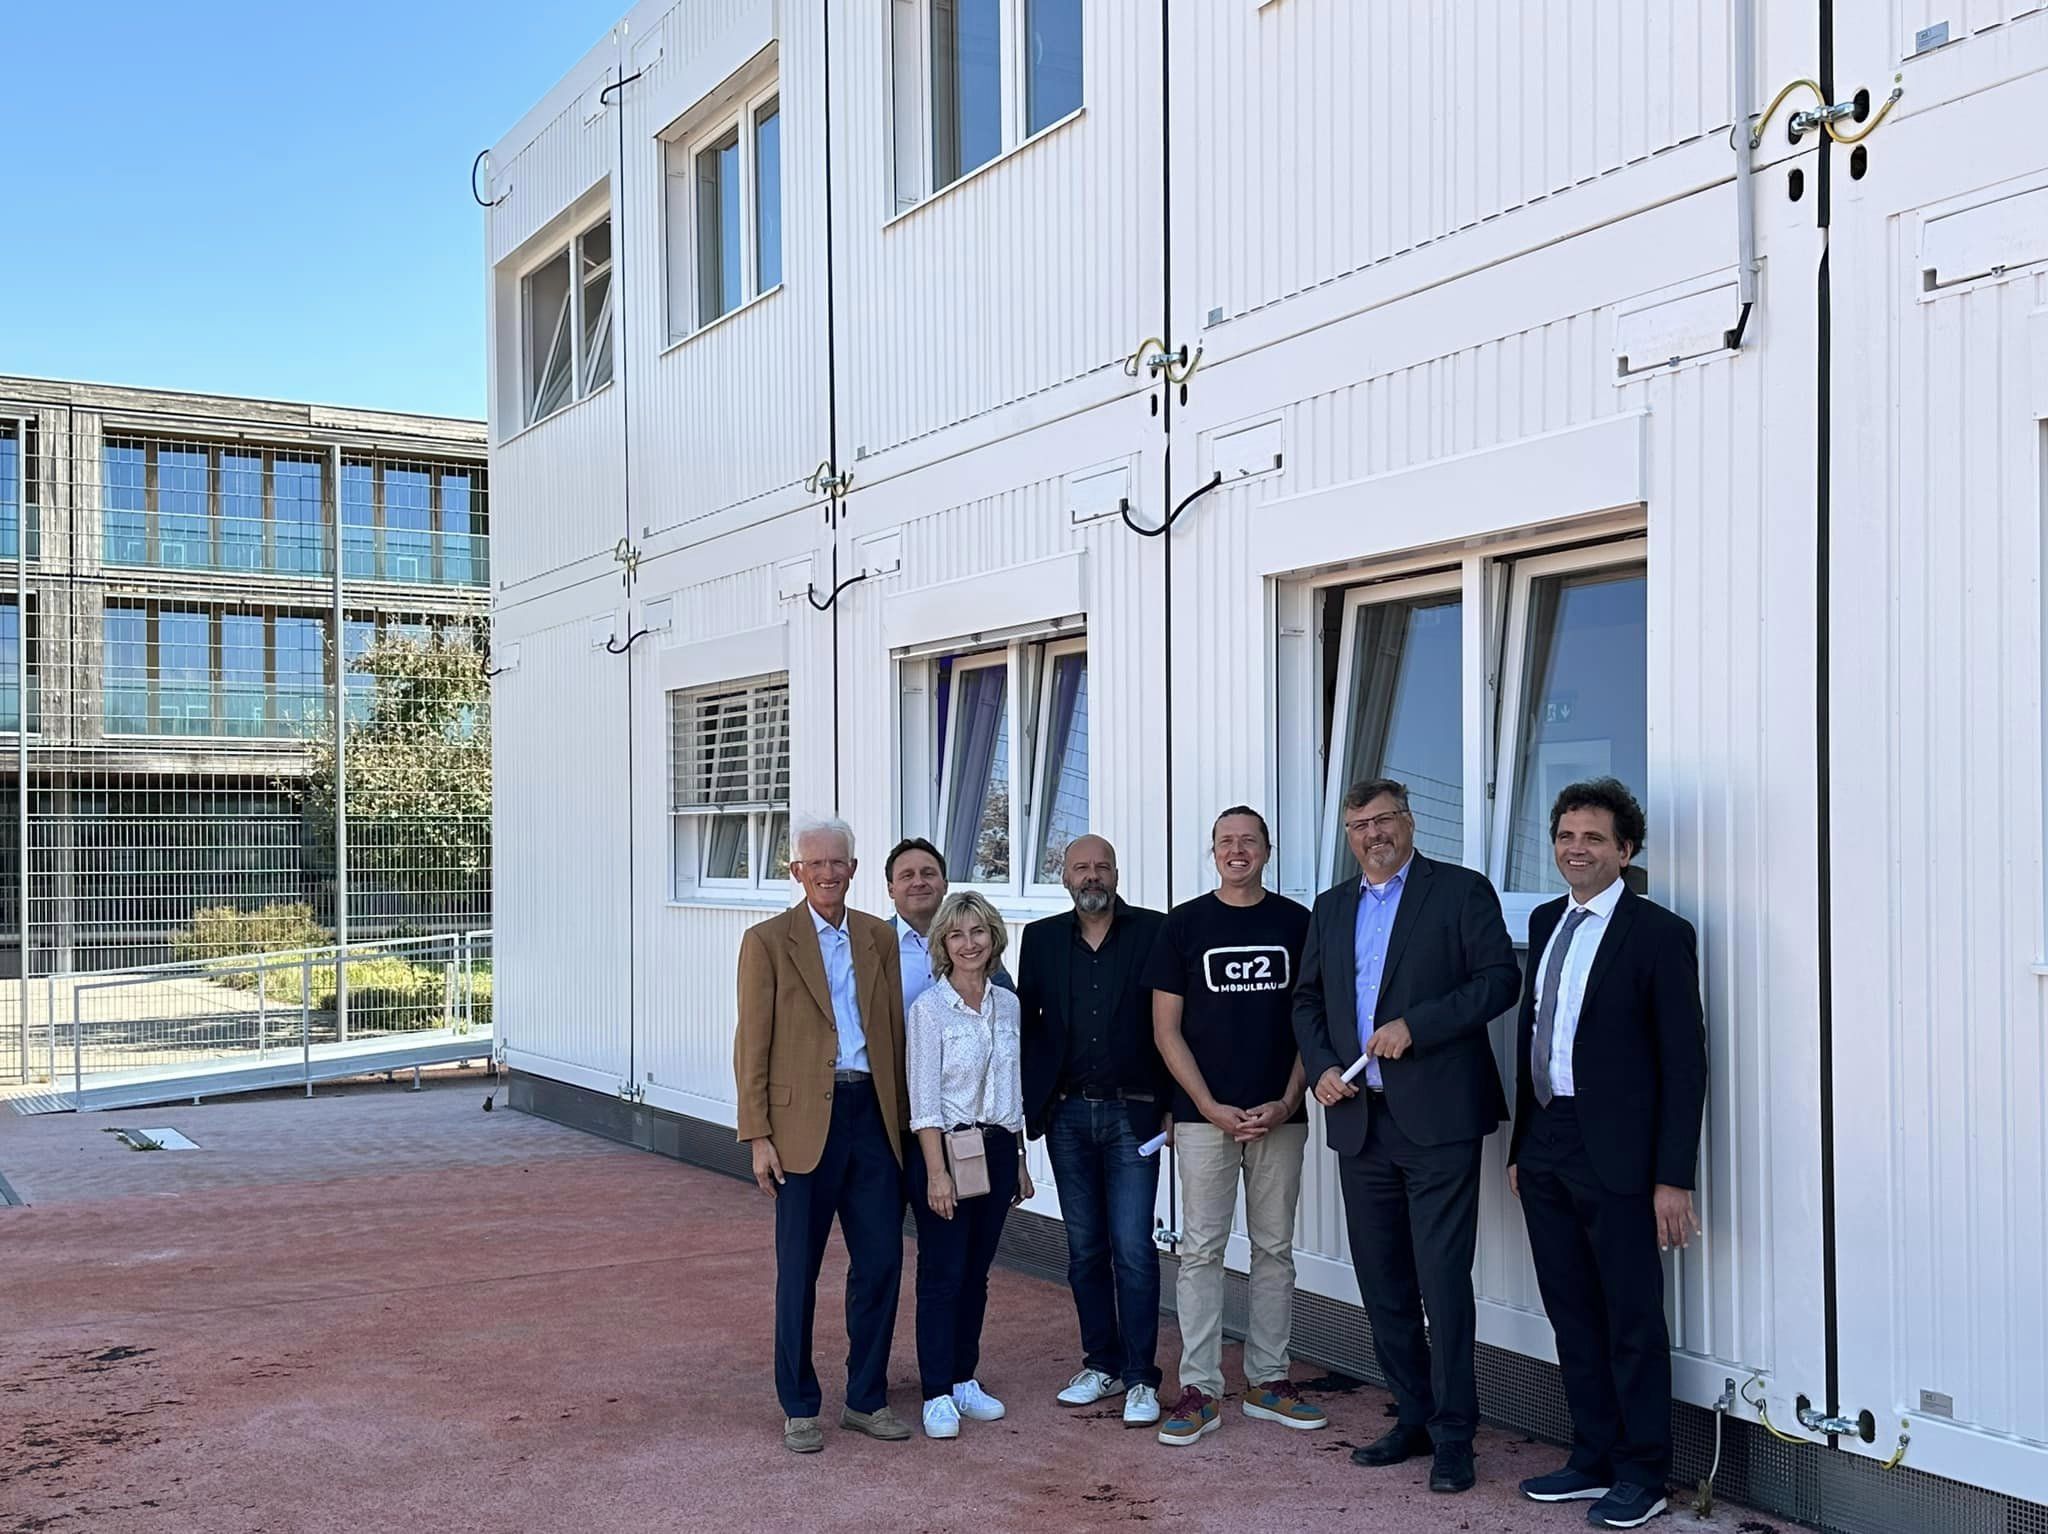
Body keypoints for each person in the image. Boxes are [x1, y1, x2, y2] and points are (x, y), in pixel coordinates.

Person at [1292, 778, 1520, 1494]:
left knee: (1442, 1280)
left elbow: (1498, 982)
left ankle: (1457, 1435)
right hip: (1360, 1120)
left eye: (1384, 819)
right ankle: (1414, 1415)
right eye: (1358, 824)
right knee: (1383, 1280)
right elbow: (1306, 1000)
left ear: (1410, 822)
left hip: (1438, 1121)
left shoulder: (1459, 892)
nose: (1372, 834)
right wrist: (1324, 1067)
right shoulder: (1331, 908)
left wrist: (1417, 1027)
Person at [1507, 779, 1706, 1530]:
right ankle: (1591, 1457)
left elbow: (1686, 1065)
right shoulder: (1544, 919)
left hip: (1621, 1155)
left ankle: (1643, 1471)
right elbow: (1537, 1040)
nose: (1576, 849)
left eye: (1593, 838)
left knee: (1630, 1319)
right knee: (1572, 1312)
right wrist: (1527, 1144)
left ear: (1625, 850)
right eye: (1565, 836)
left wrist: (1672, 1178)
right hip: (1550, 1145)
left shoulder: (1658, 934)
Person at [733, 817, 913, 1453]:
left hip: (872, 1119)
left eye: (839, 863)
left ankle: (865, 1399)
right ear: (797, 872)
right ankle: (800, 1405)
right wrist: (757, 1134)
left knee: (882, 1263)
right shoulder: (766, 941)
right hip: (802, 1126)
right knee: (798, 1272)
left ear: (854, 870)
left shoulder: (877, 938)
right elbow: (752, 1044)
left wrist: (907, 1127)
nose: (829, 873)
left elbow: (892, 1034)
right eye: (816, 864)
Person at [1147, 806, 1325, 1447]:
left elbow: (1314, 1021)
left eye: (1249, 840)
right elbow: (1166, 1031)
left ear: (1267, 850)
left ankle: (1268, 1381)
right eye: (1226, 841)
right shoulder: (1184, 925)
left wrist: (1284, 1100)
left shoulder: (1298, 924)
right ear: (1213, 850)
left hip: (1281, 1117)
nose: (1237, 850)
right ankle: (1200, 1389)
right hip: (1204, 1120)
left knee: (1275, 1250)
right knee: (1201, 1251)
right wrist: (1208, 1105)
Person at [1017, 834, 1170, 1428]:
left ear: (1116, 871)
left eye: (1101, 865)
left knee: (1133, 1249)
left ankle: (1140, 1377)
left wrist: (1174, 1107)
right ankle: (1101, 1363)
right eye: (1081, 867)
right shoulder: (1042, 939)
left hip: (1135, 1114)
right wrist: (1030, 1113)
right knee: (1084, 1250)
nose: (1092, 876)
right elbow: (1030, 1030)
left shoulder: (1156, 931)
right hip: (1068, 1115)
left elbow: (1175, 1023)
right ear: (1064, 876)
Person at [905, 890, 1033, 1440]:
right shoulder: (928, 1010)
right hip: (949, 1152)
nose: (968, 943)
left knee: (977, 1275)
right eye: (956, 934)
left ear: (993, 937)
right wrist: (936, 1173)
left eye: (977, 931)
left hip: (999, 1149)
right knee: (942, 1274)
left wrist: (1022, 1157)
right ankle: (935, 1391)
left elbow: (1014, 1086)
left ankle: (963, 1378)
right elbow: (923, 1100)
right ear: (942, 945)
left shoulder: (1009, 1004)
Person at [884, 837, 1013, 1014]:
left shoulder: (972, 944)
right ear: (891, 889)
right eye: (907, 875)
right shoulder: (875, 944)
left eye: (928, 873)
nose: (919, 882)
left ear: (945, 885)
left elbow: (1005, 1002)